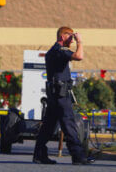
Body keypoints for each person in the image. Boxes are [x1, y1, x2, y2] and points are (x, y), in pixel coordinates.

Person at [33, 26, 94, 165]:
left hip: (55, 95)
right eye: (70, 37)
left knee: (48, 127)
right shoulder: (60, 51)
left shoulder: (52, 51)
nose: (72, 40)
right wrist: (80, 42)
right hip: (61, 96)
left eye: (74, 38)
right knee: (69, 124)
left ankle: (39, 154)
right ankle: (78, 156)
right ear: (62, 36)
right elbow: (79, 56)